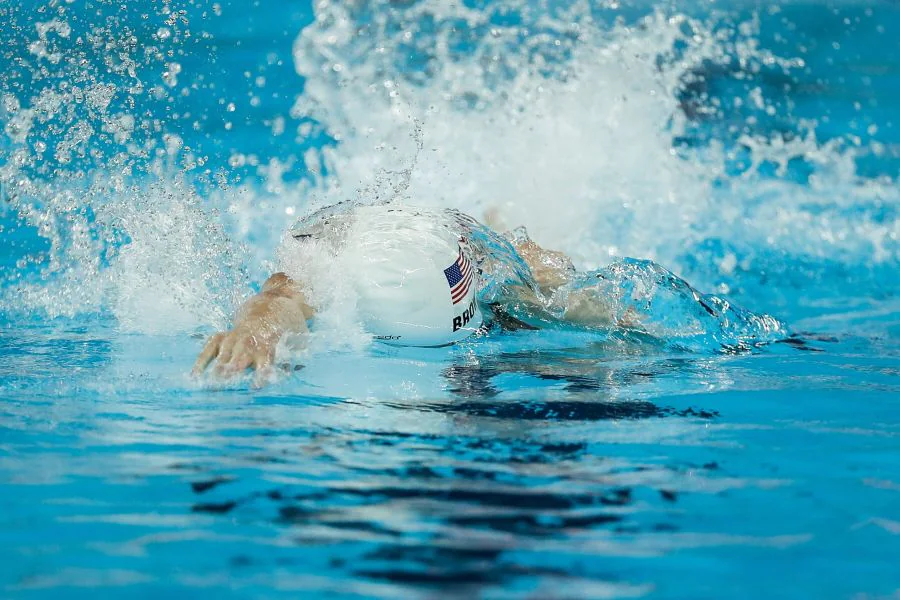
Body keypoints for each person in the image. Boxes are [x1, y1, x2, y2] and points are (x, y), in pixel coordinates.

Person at [193, 202, 786, 382]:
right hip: (392, 238)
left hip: (478, 251)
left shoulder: (505, 274)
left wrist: (653, 335)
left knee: (561, 329)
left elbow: (597, 300)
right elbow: (281, 295)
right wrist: (258, 327)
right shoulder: (329, 257)